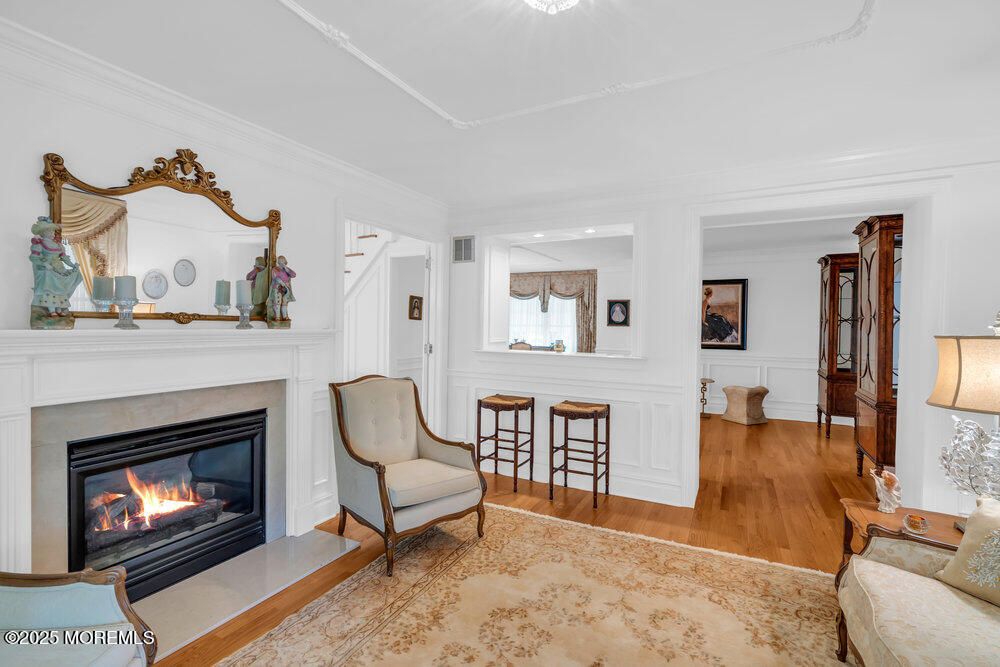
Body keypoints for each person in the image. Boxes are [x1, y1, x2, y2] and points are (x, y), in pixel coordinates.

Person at [29, 216, 82, 317]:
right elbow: (34, 258)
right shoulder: (39, 244)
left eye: (53, 231)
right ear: (44, 232)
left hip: (59, 268)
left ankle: (59, 308)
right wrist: (45, 264)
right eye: (51, 231)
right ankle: (51, 309)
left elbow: (64, 257)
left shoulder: (58, 245)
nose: (53, 233)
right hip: (48, 269)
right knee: (51, 286)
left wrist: (73, 265)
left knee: (61, 287)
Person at [268, 255, 296, 321]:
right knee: (277, 301)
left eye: (283, 261)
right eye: (280, 261)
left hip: (286, 288)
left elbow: (293, 275)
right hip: (278, 287)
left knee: (284, 302)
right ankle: (277, 317)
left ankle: (285, 316)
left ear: (285, 261)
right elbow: (275, 277)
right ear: (278, 262)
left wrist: (286, 268)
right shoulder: (275, 269)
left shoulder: (287, 270)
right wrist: (281, 282)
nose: (281, 262)